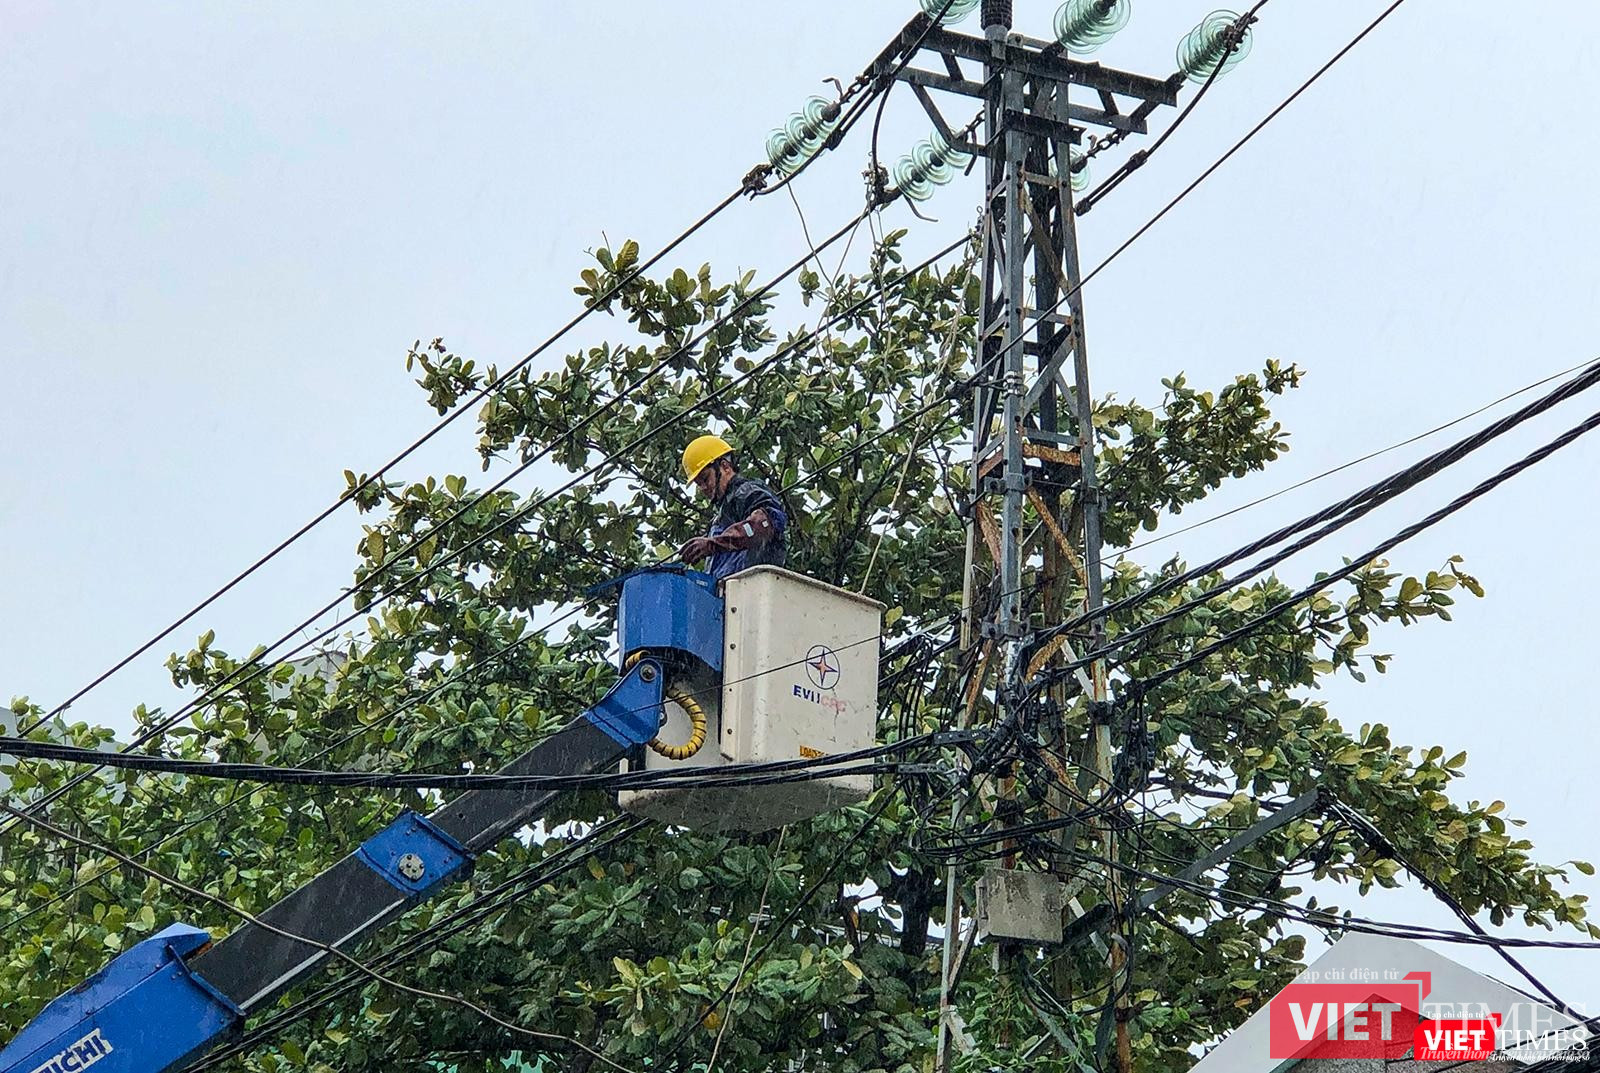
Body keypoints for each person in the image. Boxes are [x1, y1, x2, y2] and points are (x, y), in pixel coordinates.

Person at [677, 435, 788, 581]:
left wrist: (712, 544)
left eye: (705, 478)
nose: (703, 487)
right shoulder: (719, 519)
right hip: (731, 591)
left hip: (756, 586)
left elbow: (762, 525)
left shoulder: (747, 492)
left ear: (725, 467)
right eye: (699, 484)